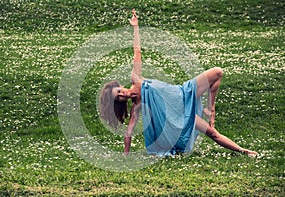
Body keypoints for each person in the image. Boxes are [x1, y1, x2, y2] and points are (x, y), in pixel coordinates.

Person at [100, 9, 258, 157]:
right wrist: (125, 155)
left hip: (184, 93)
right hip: (180, 114)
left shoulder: (136, 78)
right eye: (119, 97)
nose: (122, 94)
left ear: (120, 86)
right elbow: (129, 132)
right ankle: (244, 151)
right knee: (212, 133)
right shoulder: (137, 106)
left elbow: (137, 51)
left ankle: (210, 109)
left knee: (217, 72)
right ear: (121, 102)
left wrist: (136, 28)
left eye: (119, 91)